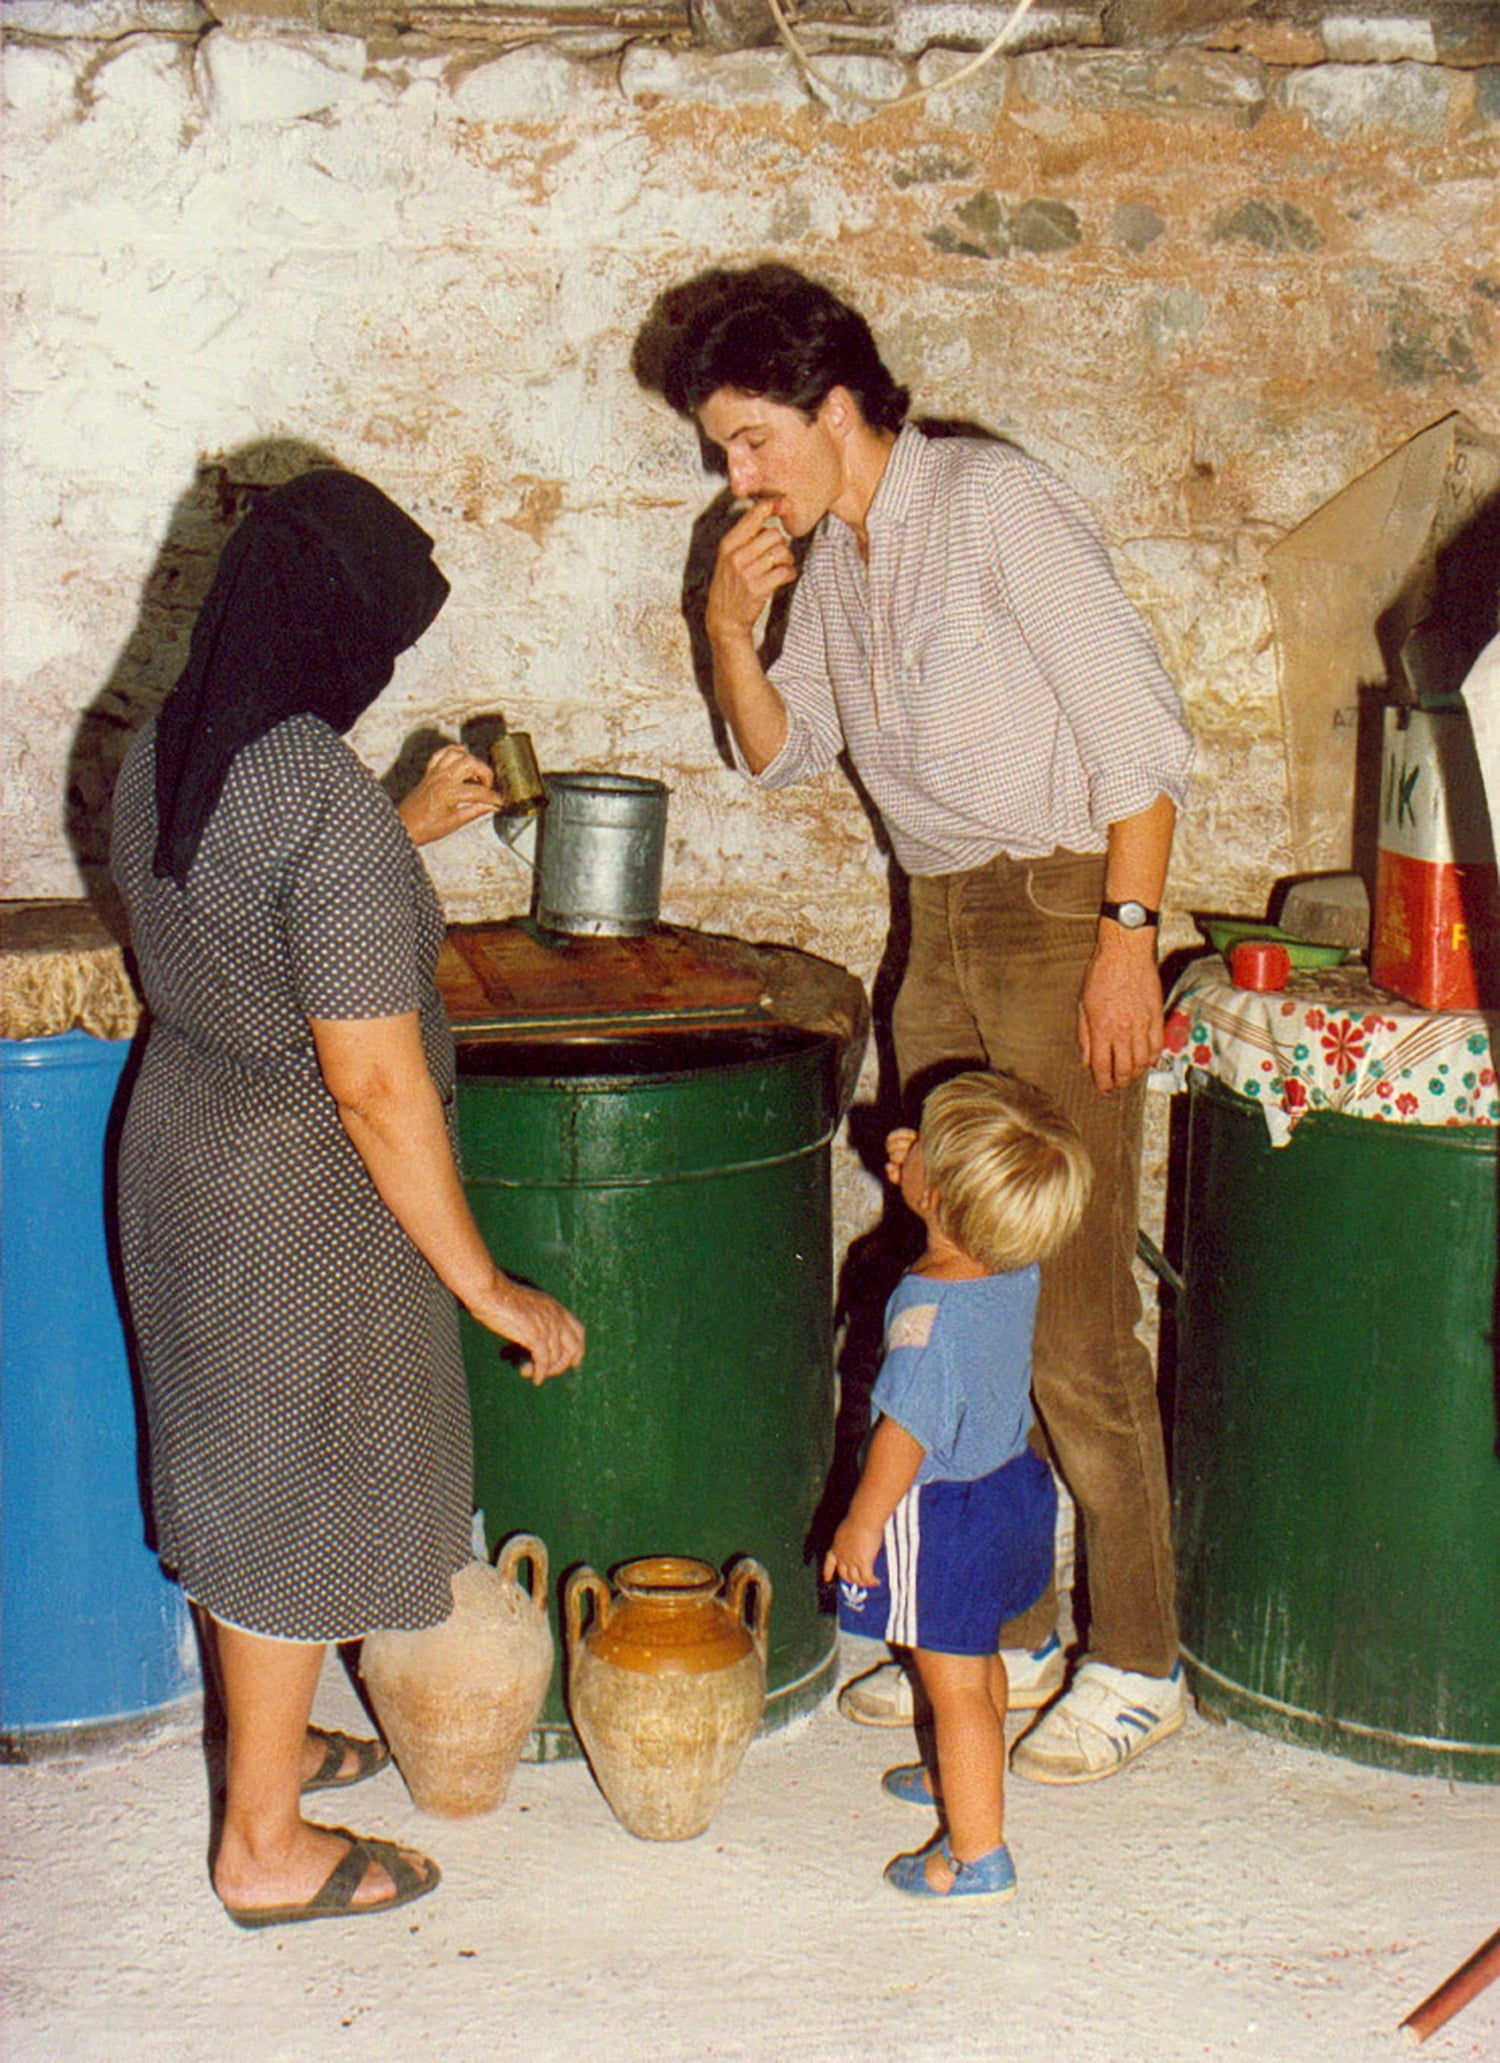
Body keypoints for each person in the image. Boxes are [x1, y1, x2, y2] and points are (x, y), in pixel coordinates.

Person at [641, 262, 1195, 1782]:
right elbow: (782, 752)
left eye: (753, 440)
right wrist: (729, 628)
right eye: (724, 450)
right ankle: (1006, 1627)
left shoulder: (993, 504)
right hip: (939, 923)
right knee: (966, 1283)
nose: (739, 476)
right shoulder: (842, 555)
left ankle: (1140, 1654)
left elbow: (1141, 738)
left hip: (1065, 906)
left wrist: (1127, 941)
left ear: (835, 408)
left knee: (1071, 1318)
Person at [110, 467, 586, 1929]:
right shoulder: (318, 795)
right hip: (298, 1200)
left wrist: (398, 832)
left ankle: (271, 1735)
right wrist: (484, 1281)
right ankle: (262, 1841)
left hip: (185, 1146)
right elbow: (375, 1086)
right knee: (296, 1489)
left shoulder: (168, 738)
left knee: (237, 1462)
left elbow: (236, 900)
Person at [824, 1071, 1091, 1902]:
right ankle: (959, 1773)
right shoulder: (1015, 1261)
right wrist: (926, 1174)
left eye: (921, 1150)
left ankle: (976, 1853)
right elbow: (959, 1215)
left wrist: (861, 1524)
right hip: (1010, 1488)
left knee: (954, 1684)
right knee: (978, 1663)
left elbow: (902, 1434)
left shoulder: (923, 1310)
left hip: (942, 1512)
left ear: (936, 1195)